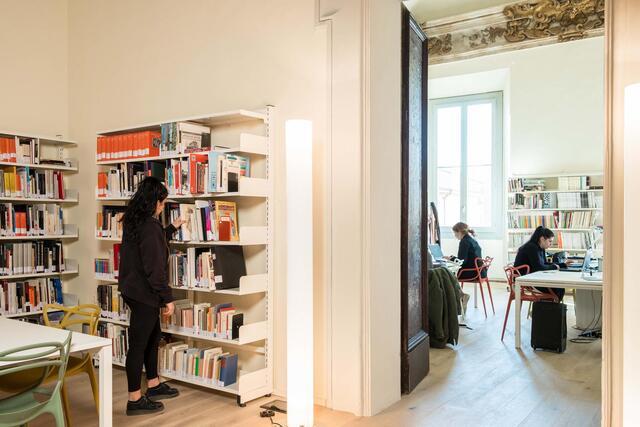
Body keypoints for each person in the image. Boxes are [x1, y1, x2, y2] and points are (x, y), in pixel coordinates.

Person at [118, 177, 185, 416]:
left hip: (132, 290)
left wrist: (171, 228)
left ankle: (154, 384)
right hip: (144, 293)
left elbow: (151, 244)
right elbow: (154, 269)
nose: (163, 206)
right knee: (138, 344)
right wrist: (167, 298)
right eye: (162, 202)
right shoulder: (149, 226)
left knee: (153, 337)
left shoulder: (134, 221)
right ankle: (134, 399)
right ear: (154, 201)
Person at [513, 226, 564, 300]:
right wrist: (556, 267)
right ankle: (546, 306)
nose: (551, 244)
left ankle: (548, 306)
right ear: (542, 239)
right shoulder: (532, 247)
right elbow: (539, 267)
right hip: (523, 280)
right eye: (550, 241)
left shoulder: (540, 248)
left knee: (559, 287)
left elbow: (545, 263)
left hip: (532, 276)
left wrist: (562, 265)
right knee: (558, 288)